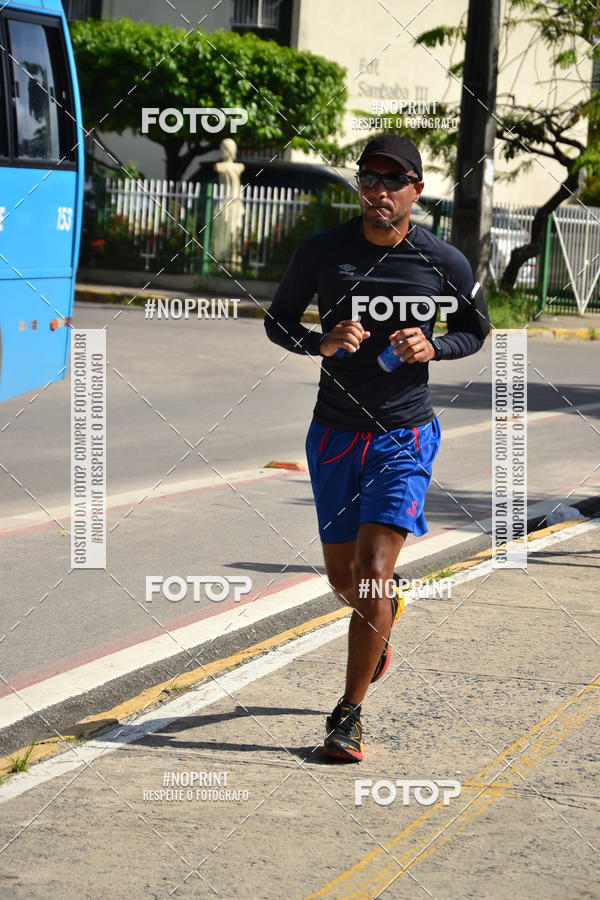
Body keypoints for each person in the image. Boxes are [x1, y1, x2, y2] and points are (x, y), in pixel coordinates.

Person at [264, 134, 490, 761]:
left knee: (371, 572)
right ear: (360, 186)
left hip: (404, 432)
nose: (381, 191)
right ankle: (382, 618)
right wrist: (322, 340)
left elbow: (475, 330)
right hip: (334, 433)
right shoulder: (323, 252)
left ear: (417, 190)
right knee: (346, 578)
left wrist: (435, 347)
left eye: (395, 181)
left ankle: (347, 714)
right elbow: (278, 322)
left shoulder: (444, 260)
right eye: (371, 178)